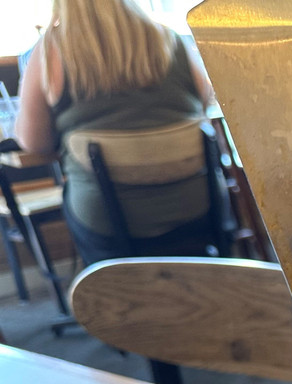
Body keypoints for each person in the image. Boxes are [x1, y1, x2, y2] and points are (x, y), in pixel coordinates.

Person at [14, 0, 217, 265]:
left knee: (73, 198)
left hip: (106, 223)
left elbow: (33, 141)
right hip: (197, 206)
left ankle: (106, 288)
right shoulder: (169, 39)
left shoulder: (49, 51)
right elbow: (205, 102)